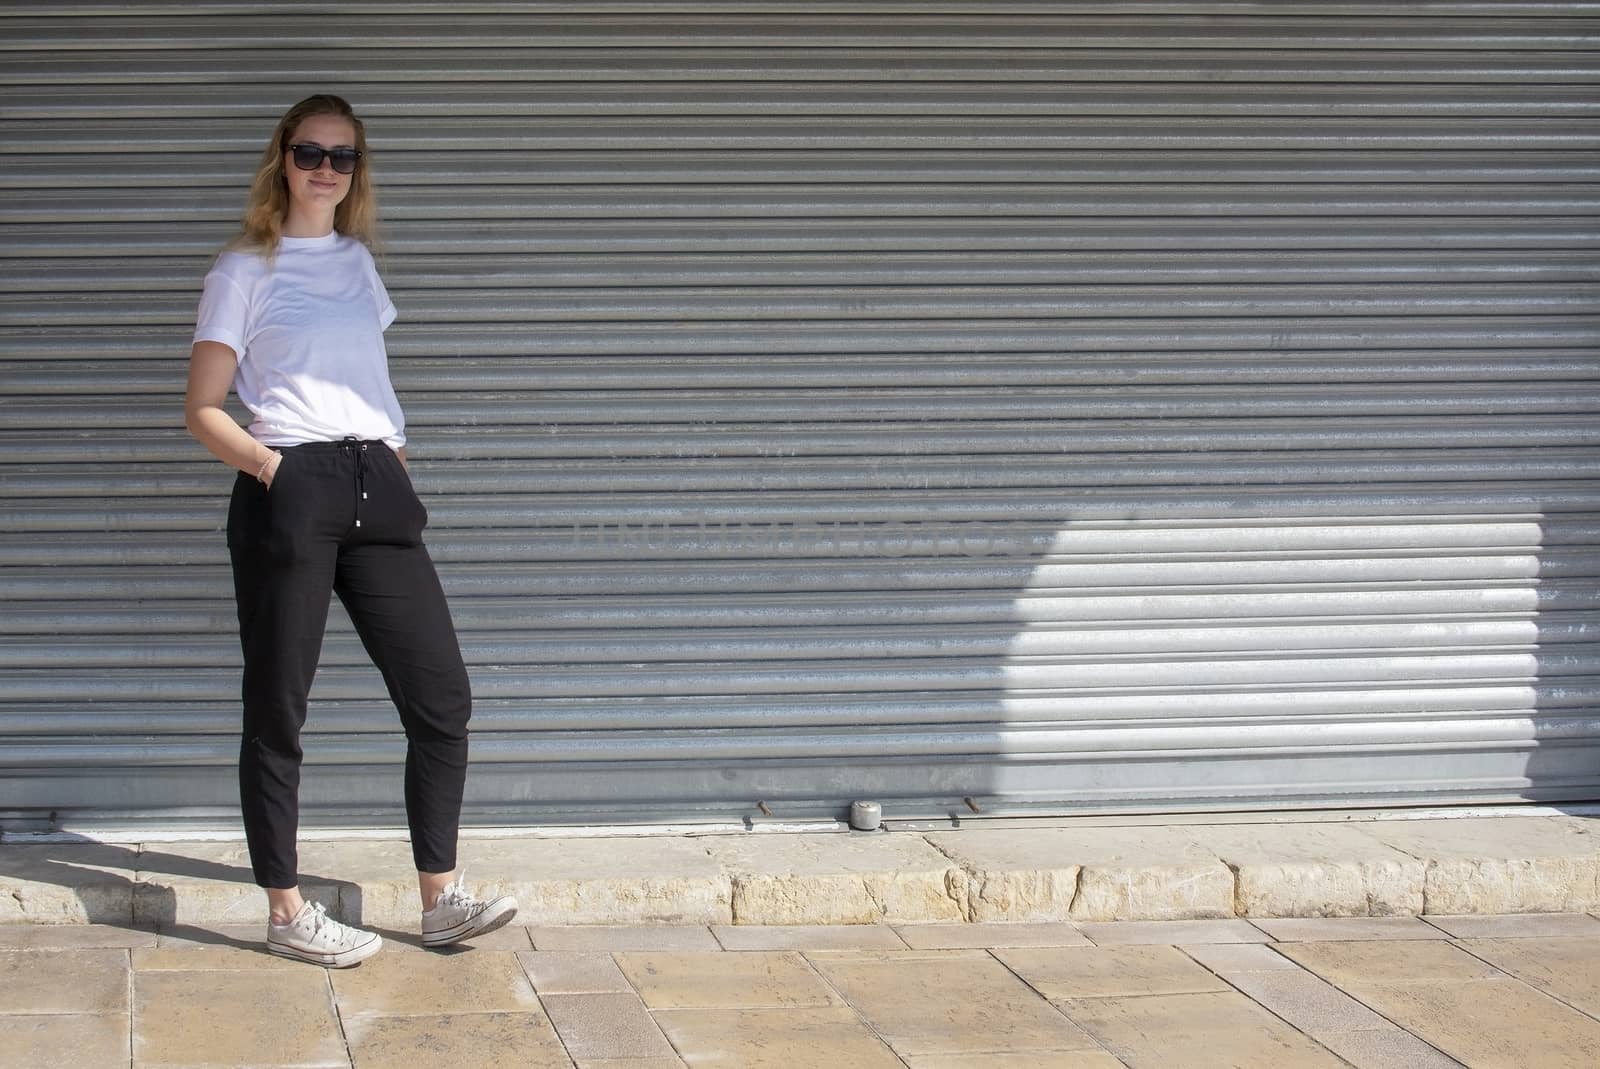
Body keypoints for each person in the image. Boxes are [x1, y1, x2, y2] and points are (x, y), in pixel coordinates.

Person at [184, 93, 516, 966]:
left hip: (378, 480)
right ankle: (287, 910)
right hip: (291, 481)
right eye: (310, 153)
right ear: (281, 160)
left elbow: (364, 380)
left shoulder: (357, 264)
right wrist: (276, 471)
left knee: (441, 695)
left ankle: (441, 899)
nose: (326, 170)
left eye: (344, 157)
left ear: (357, 171)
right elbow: (203, 408)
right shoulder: (244, 269)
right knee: (279, 705)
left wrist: (394, 461)